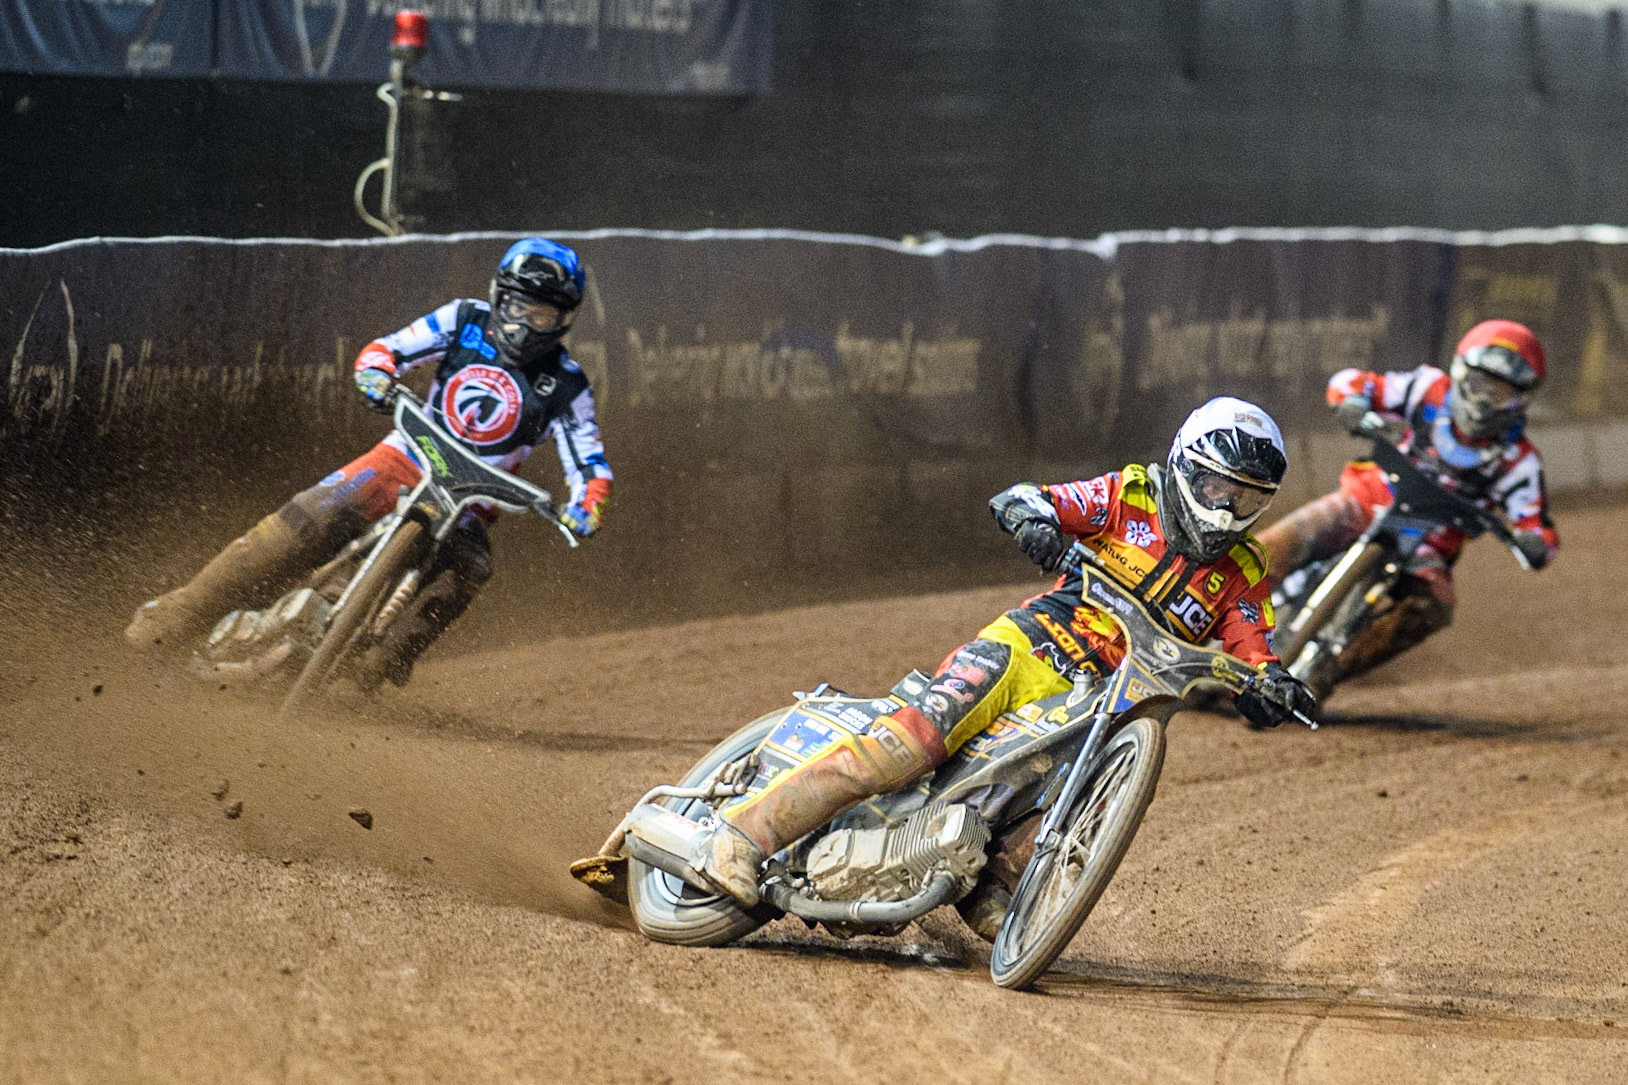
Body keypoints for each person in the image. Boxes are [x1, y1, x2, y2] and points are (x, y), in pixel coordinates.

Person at [697, 397, 1317, 914]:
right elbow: (1031, 497)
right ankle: (744, 836)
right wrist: (1034, 520)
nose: (1225, 511)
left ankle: (990, 892)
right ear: (1184, 465)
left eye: (1246, 500)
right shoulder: (1130, 495)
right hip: (1029, 647)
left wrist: (1272, 685)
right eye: (1217, 488)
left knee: (1081, 800)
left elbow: (1253, 649)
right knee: (909, 744)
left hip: (1104, 701)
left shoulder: (1243, 570)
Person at [125, 238, 613, 687]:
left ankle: (377, 670)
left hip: (471, 503)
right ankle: (170, 621)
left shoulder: (567, 385)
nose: (524, 324)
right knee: (298, 526)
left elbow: (590, 463)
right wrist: (377, 374)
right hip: (403, 457)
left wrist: (587, 506)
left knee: (471, 571)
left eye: (542, 315)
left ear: (563, 320)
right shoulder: (464, 319)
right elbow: (390, 348)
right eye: (517, 307)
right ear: (498, 296)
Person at [1256, 319, 1558, 692]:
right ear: (1461, 371)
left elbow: (1536, 525)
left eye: (1500, 393)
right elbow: (1351, 382)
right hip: (1365, 500)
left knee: (1434, 604)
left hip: (1428, 545)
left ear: (1522, 398)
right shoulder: (1426, 388)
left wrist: (1534, 543)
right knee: (1281, 544)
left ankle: (1324, 673)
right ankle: (1205, 608)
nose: (1483, 401)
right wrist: (1353, 404)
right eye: (1480, 385)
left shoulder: (1519, 461)